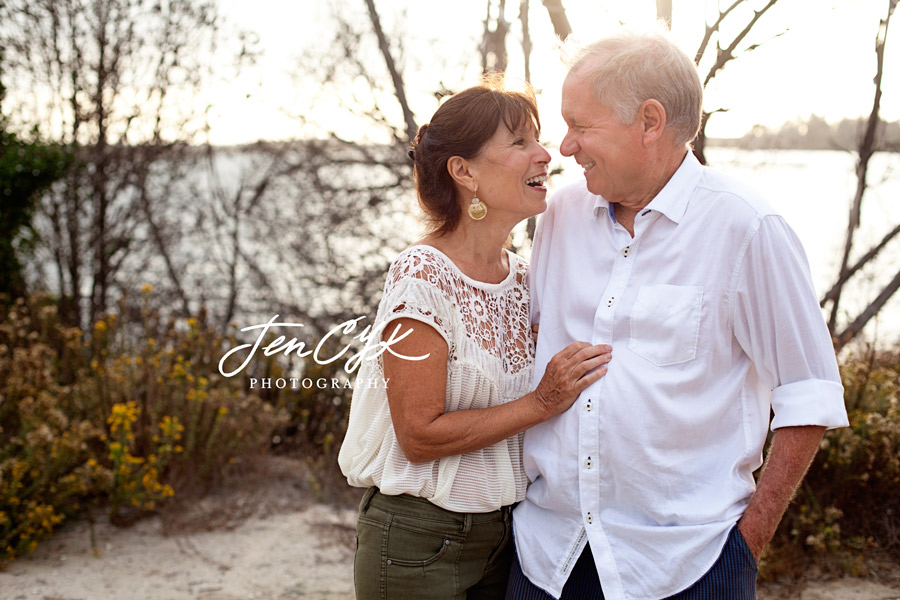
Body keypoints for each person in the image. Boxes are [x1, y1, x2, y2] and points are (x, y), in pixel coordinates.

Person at [506, 30, 850, 600]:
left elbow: (808, 394)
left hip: (687, 568)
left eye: (581, 126)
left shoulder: (747, 227)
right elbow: (532, 340)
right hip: (548, 557)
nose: (565, 147)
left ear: (649, 121)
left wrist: (747, 544)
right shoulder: (561, 214)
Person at [338, 82, 612, 600]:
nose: (544, 154)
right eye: (518, 143)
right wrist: (543, 402)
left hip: (508, 539)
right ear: (464, 172)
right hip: (416, 542)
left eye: (537, 139)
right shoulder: (422, 276)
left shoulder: (526, 279)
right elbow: (419, 435)